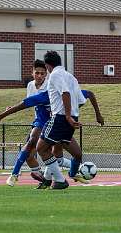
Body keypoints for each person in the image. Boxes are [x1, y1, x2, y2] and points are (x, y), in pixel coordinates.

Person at [0, 88, 104, 187]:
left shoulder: (69, 93)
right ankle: (14, 174)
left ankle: (66, 175)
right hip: (42, 123)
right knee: (32, 142)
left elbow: (89, 94)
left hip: (59, 126)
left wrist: (98, 114)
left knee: (74, 154)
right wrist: (1, 116)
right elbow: (23, 104)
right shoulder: (45, 95)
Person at [35, 51, 86, 190]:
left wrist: (67, 115)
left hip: (60, 118)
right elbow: (81, 100)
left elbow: (65, 93)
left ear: (47, 65)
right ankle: (47, 180)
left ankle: (59, 180)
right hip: (70, 118)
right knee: (61, 151)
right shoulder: (71, 76)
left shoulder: (55, 75)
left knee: (41, 148)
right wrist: (73, 114)